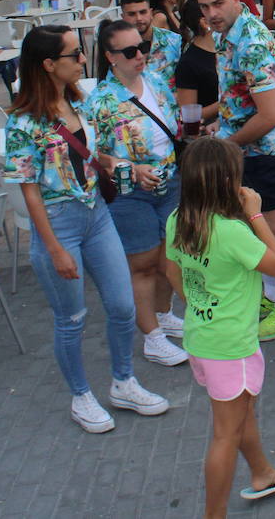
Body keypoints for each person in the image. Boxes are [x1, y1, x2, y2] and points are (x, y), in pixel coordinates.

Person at [4, 25, 170, 432]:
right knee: (71, 318)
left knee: (121, 305)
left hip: (96, 216)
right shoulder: (23, 124)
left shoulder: (77, 103)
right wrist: (54, 248)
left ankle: (123, 381)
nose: (83, 61)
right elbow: (29, 195)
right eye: (75, 55)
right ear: (47, 64)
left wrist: (131, 168)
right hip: (59, 225)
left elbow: (96, 159)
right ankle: (81, 395)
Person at [163, 138, 275, 516]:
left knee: (240, 414)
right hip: (231, 346)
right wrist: (256, 215)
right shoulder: (231, 230)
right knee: (225, 435)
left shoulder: (179, 218)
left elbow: (172, 267)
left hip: (202, 337)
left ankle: (263, 474)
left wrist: (197, 304)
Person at [195, 0, 275, 341]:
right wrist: (218, 123)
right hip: (242, 147)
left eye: (219, 3)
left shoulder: (252, 41)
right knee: (253, 231)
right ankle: (272, 299)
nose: (212, 12)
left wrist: (227, 143)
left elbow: (270, 115)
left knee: (274, 229)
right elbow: (238, 97)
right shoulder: (226, 34)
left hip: (260, 151)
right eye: (205, 6)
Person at [85, 20, 189, 368]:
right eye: (130, 52)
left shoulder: (157, 81)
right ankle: (152, 337)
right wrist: (130, 168)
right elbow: (91, 153)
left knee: (168, 258)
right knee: (142, 264)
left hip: (169, 182)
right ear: (111, 57)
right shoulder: (102, 100)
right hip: (130, 192)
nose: (140, 56)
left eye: (142, 47)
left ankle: (163, 314)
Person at [120, 0, 181, 89]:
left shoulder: (174, 41)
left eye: (143, 12)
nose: (139, 18)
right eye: (132, 14)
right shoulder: (117, 47)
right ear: (123, 17)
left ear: (151, 13)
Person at [176, 0, 219, 122]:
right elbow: (188, 116)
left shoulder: (226, 49)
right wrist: (225, 102)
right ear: (205, 22)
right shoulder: (188, 63)